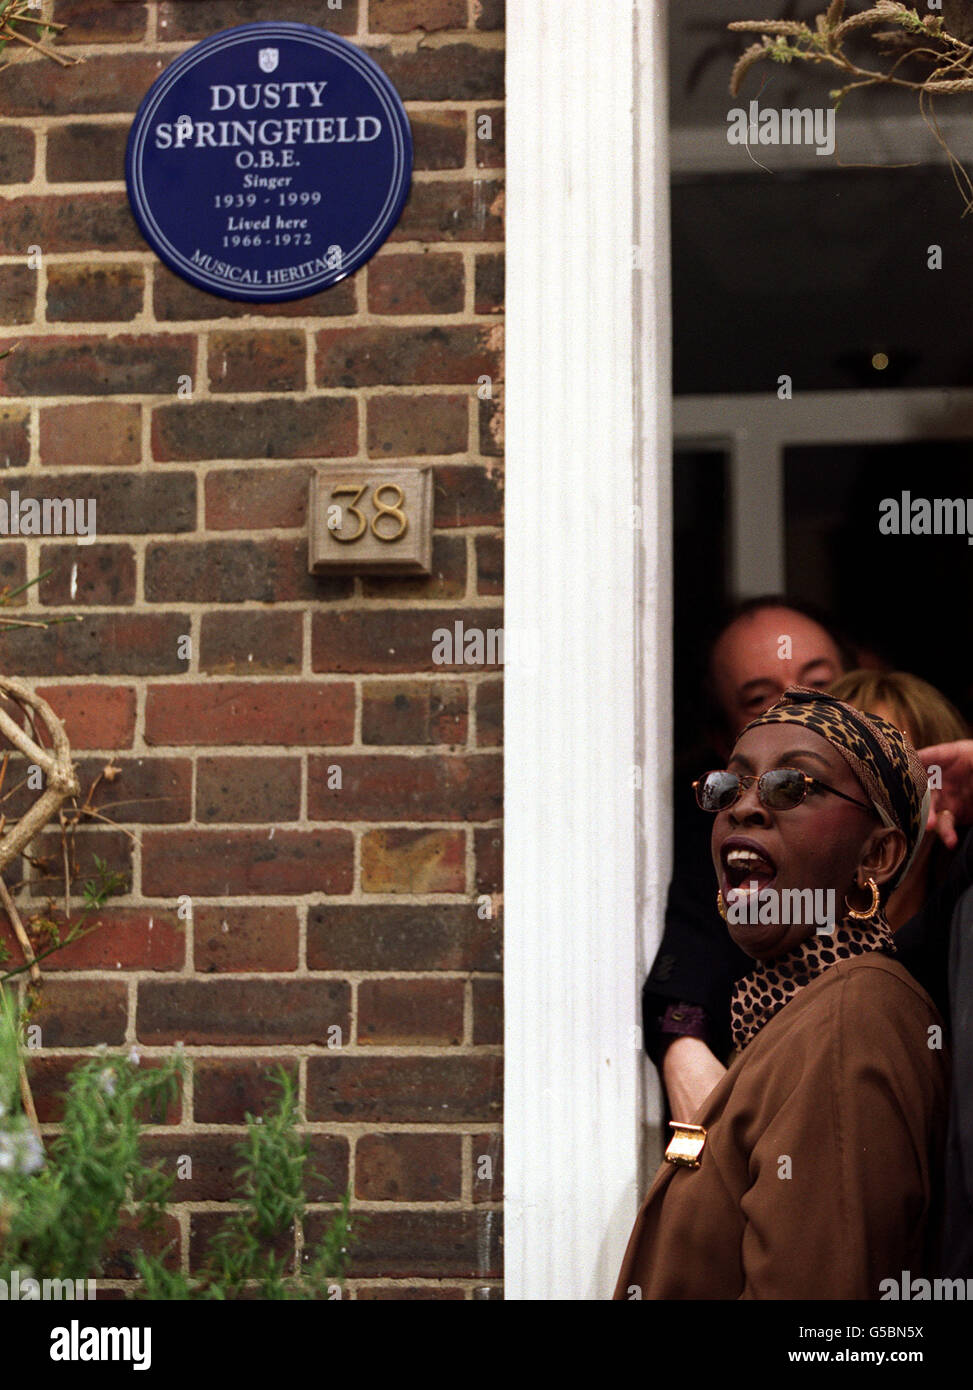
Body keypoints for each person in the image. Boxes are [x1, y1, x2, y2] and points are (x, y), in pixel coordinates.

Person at [614, 686, 948, 1299]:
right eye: (728, 787)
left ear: (877, 854)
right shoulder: (791, 1010)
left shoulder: (853, 1018)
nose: (744, 807)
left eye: (794, 787)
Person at [645, 596, 855, 1120]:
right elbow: (690, 955)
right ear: (724, 743)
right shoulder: (730, 838)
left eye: (821, 685)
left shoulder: (927, 807)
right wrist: (682, 1048)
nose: (798, 711)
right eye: (760, 699)